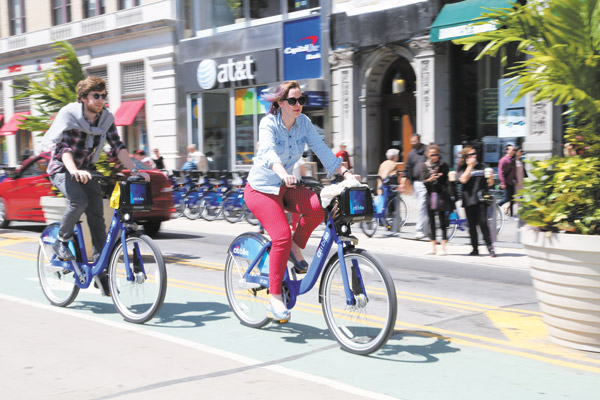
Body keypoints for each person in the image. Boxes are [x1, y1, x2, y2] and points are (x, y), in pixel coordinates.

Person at [244, 80, 358, 322]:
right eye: (293, 101)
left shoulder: (304, 123)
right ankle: (275, 298)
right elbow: (268, 152)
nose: (298, 105)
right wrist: (282, 172)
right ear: (280, 103)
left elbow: (322, 149)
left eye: (301, 100)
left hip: (286, 187)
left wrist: (348, 175)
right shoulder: (268, 124)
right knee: (281, 236)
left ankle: (295, 247)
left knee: (318, 208)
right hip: (262, 189)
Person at [43, 76, 150, 265]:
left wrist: (135, 170)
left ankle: (102, 271)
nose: (101, 100)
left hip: (86, 170)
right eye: (96, 95)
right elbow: (64, 148)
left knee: (97, 217)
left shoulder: (105, 119)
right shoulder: (70, 115)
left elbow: (118, 146)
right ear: (84, 97)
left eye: (103, 95)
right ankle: (61, 241)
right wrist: (74, 170)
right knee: (79, 201)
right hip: (62, 168)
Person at [457, 146, 496, 257]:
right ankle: (475, 249)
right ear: (466, 157)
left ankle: (490, 248)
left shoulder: (482, 166)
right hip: (469, 199)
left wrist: (491, 178)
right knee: (472, 226)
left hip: (481, 199)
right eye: (471, 154)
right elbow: (463, 180)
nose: (474, 156)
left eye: (474, 154)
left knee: (484, 223)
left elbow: (489, 184)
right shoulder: (462, 167)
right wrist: (470, 166)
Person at [418, 144, 452, 256]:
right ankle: (432, 246)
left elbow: (447, 180)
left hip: (441, 195)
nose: (435, 157)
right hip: (430, 195)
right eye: (432, 154)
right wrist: (430, 179)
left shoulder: (443, 165)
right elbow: (423, 181)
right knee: (431, 221)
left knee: (443, 221)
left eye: (436, 154)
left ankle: (443, 247)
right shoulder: (424, 166)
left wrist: (441, 177)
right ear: (427, 154)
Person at [400, 133, 428, 239]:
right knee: (423, 206)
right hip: (416, 183)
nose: (413, 144)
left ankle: (420, 230)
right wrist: (403, 183)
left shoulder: (427, 150)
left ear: (419, 140)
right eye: (412, 142)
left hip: (426, 182)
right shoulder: (412, 154)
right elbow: (407, 169)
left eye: (415, 141)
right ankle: (426, 230)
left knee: (422, 206)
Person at [497, 144, 517, 217]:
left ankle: (511, 215)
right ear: (507, 151)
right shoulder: (503, 160)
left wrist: (515, 179)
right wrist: (502, 182)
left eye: (514, 150)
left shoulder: (513, 160)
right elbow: (500, 172)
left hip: (512, 182)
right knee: (506, 198)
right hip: (506, 182)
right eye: (512, 150)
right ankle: (496, 206)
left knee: (512, 199)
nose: (513, 152)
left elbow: (514, 171)